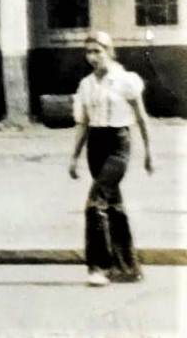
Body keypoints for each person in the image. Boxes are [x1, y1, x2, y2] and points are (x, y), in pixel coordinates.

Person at [67, 30, 153, 285]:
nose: (93, 57)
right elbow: (82, 123)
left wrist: (150, 152)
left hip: (118, 145)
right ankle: (128, 267)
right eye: (89, 52)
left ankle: (100, 268)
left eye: (98, 51)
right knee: (113, 206)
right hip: (96, 145)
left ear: (109, 51)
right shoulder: (86, 84)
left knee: (95, 204)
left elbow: (141, 118)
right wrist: (73, 157)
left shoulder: (126, 80)